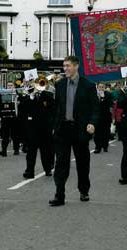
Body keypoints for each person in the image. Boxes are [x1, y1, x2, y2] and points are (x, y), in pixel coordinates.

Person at [49, 55, 99, 207]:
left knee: (82, 163)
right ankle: (60, 195)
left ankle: (84, 190)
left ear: (76, 66)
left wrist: (92, 123)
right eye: (64, 66)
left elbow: (95, 108)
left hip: (80, 130)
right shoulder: (60, 84)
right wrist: (54, 126)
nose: (65, 69)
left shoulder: (88, 85)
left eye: (68, 66)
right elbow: (56, 107)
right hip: (63, 129)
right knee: (61, 163)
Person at [21, 83, 55, 179]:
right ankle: (29, 171)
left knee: (46, 151)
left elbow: (52, 109)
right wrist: (31, 96)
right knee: (31, 152)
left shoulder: (48, 95)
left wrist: (52, 126)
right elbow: (24, 109)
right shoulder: (29, 96)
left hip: (45, 128)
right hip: (33, 128)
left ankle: (48, 169)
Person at [0, 82, 20, 156]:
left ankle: (16, 149)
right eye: (8, 85)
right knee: (5, 135)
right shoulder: (2, 94)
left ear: (14, 86)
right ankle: (4, 150)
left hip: (14, 117)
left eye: (11, 85)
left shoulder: (17, 94)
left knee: (15, 135)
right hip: (5, 117)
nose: (9, 87)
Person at [94, 82, 113, 153]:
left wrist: (103, 98)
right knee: (97, 133)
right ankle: (97, 147)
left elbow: (110, 104)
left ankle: (105, 146)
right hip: (97, 117)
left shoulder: (108, 94)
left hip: (106, 116)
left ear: (104, 87)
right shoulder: (94, 95)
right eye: (100, 87)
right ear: (97, 87)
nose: (101, 88)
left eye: (102, 87)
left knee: (106, 132)